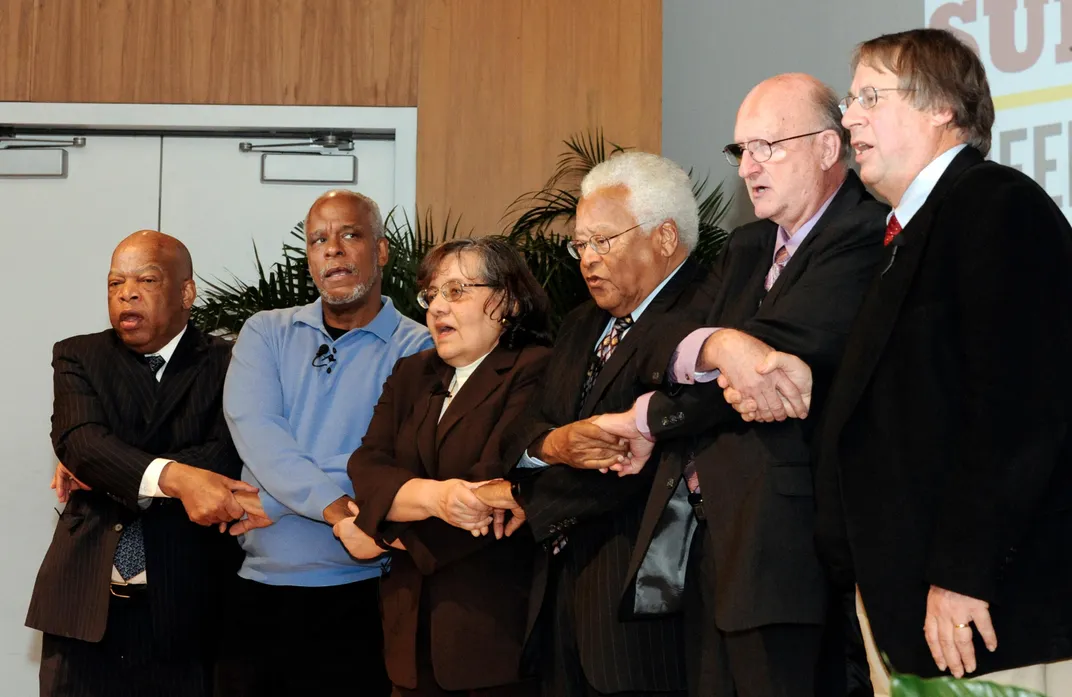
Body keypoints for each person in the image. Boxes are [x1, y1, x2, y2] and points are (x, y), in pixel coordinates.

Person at [573, 74, 887, 697]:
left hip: (792, 550)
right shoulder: (746, 246)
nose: (749, 166)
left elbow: (773, 364)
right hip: (705, 544)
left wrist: (646, 420)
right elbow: (657, 341)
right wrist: (720, 345)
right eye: (741, 150)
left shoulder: (865, 232)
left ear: (829, 148)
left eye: (768, 146)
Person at [811, 27, 1072, 692]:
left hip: (990, 618)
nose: (848, 118)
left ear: (942, 109)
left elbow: (1016, 412)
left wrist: (962, 570)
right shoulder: (903, 235)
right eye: (849, 99)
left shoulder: (996, 205)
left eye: (871, 96)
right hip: (907, 612)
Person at [474, 151, 716, 697]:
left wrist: (529, 497)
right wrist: (555, 444)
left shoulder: (707, 316)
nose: (586, 259)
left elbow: (639, 462)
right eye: (580, 244)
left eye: (601, 241)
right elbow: (521, 432)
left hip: (648, 607)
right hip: (562, 601)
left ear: (664, 236)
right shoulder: (582, 323)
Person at [214, 190, 433, 697]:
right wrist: (335, 508)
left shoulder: (420, 346)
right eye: (318, 239)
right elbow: (258, 434)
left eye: (350, 234)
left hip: (365, 594)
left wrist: (274, 500)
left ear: (380, 251)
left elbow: (386, 458)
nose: (332, 249)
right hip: (256, 595)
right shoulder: (265, 331)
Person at [27, 230, 250, 697]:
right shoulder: (79, 355)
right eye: (114, 283)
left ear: (186, 292)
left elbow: (225, 454)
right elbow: (81, 442)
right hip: (84, 609)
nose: (126, 293)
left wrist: (116, 466)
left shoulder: (232, 362)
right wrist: (177, 477)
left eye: (145, 280)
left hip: (187, 608)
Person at [340, 238, 552, 697]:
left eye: (457, 291)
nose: (437, 307)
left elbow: (492, 487)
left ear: (508, 302)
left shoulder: (535, 369)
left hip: (492, 635)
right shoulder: (413, 372)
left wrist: (382, 527)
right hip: (407, 635)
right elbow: (367, 463)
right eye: (431, 295)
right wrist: (435, 499)